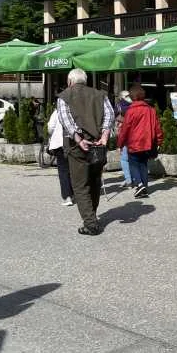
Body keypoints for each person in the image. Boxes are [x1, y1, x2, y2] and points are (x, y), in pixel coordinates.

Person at [58, 68, 114, 236]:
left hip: (77, 147)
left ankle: (90, 224)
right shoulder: (100, 94)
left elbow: (65, 118)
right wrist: (104, 135)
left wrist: (78, 138)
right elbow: (110, 115)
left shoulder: (65, 96)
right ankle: (92, 215)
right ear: (85, 81)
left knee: (80, 185)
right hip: (98, 144)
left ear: (69, 81)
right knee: (95, 181)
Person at [117, 85, 163, 199]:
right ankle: (144, 187)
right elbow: (157, 127)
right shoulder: (151, 110)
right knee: (143, 164)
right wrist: (159, 141)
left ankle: (139, 184)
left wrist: (120, 144)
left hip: (133, 142)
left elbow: (125, 129)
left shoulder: (130, 111)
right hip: (147, 142)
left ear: (132, 97)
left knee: (133, 163)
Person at [47, 106, 74, 206]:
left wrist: (51, 135)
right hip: (74, 144)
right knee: (73, 169)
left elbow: (50, 127)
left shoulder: (57, 111)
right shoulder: (76, 109)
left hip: (60, 144)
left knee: (63, 171)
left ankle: (67, 196)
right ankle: (74, 193)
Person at [115, 90, 133, 188]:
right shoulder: (134, 105)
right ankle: (133, 179)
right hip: (134, 135)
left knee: (124, 159)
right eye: (127, 96)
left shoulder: (119, 107)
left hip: (125, 135)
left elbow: (116, 118)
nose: (128, 97)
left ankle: (129, 180)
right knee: (130, 158)